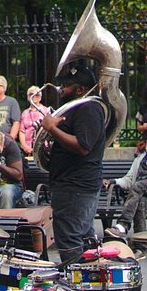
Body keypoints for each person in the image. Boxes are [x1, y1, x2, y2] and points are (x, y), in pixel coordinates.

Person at [39, 58, 108, 262]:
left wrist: (51, 128)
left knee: (69, 241)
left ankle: (76, 287)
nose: (62, 90)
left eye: (67, 86)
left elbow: (82, 146)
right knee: (84, 240)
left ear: (80, 90)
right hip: (70, 186)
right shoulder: (75, 109)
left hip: (76, 187)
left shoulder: (89, 109)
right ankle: (89, 286)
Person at [18, 85, 50, 157]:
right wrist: (25, 146)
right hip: (27, 149)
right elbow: (22, 131)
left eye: (37, 94)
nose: (34, 96)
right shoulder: (24, 113)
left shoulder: (46, 111)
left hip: (43, 147)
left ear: (41, 97)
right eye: (31, 94)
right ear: (28, 97)